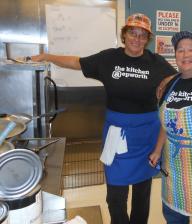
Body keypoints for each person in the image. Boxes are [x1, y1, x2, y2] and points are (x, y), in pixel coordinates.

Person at [32, 13, 177, 224]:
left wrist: (173, 81)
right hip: (116, 134)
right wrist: (47, 56)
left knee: (142, 194)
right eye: (132, 33)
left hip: (146, 136)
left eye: (142, 35)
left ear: (148, 39)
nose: (137, 39)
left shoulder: (156, 62)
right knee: (115, 197)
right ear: (124, 35)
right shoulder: (109, 58)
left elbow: (178, 79)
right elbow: (76, 62)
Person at [149, 31, 192, 224]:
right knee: (174, 218)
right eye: (180, 50)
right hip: (173, 169)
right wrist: (158, 151)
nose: (185, 54)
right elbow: (166, 124)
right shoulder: (170, 85)